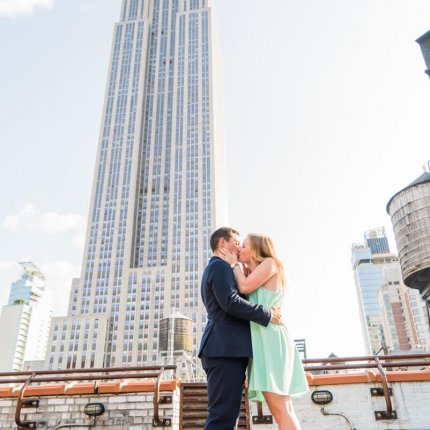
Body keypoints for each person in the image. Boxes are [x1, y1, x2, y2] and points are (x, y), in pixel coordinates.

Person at [219, 233, 309, 430]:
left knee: (281, 410)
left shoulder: (269, 263)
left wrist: (234, 264)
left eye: (244, 245)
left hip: (271, 340)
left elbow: (243, 285)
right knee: (283, 409)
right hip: (263, 340)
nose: (239, 248)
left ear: (256, 248)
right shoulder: (253, 271)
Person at [199, 227, 283, 430]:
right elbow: (231, 302)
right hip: (224, 350)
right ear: (222, 243)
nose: (238, 248)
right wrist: (267, 314)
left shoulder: (223, 268)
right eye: (236, 242)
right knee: (222, 417)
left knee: (227, 417)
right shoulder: (219, 267)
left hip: (227, 349)